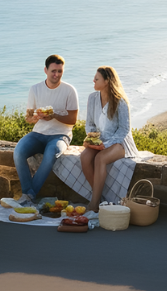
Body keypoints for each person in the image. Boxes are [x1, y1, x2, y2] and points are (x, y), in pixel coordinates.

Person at [13, 54, 79, 205]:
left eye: (60, 71)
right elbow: (28, 118)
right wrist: (36, 117)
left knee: (51, 153)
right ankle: (29, 194)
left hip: (61, 135)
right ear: (45, 70)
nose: (56, 75)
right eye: (53, 71)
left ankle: (28, 196)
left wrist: (54, 115)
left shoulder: (69, 90)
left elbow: (73, 120)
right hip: (38, 133)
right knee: (18, 151)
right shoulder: (35, 89)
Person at [81, 66, 138, 212]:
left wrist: (106, 145)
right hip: (99, 141)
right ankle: (100, 198)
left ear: (106, 81)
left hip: (119, 142)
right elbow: (89, 124)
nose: (93, 80)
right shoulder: (92, 98)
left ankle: (93, 205)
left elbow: (124, 129)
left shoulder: (120, 101)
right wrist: (93, 140)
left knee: (100, 159)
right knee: (85, 157)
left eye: (97, 78)